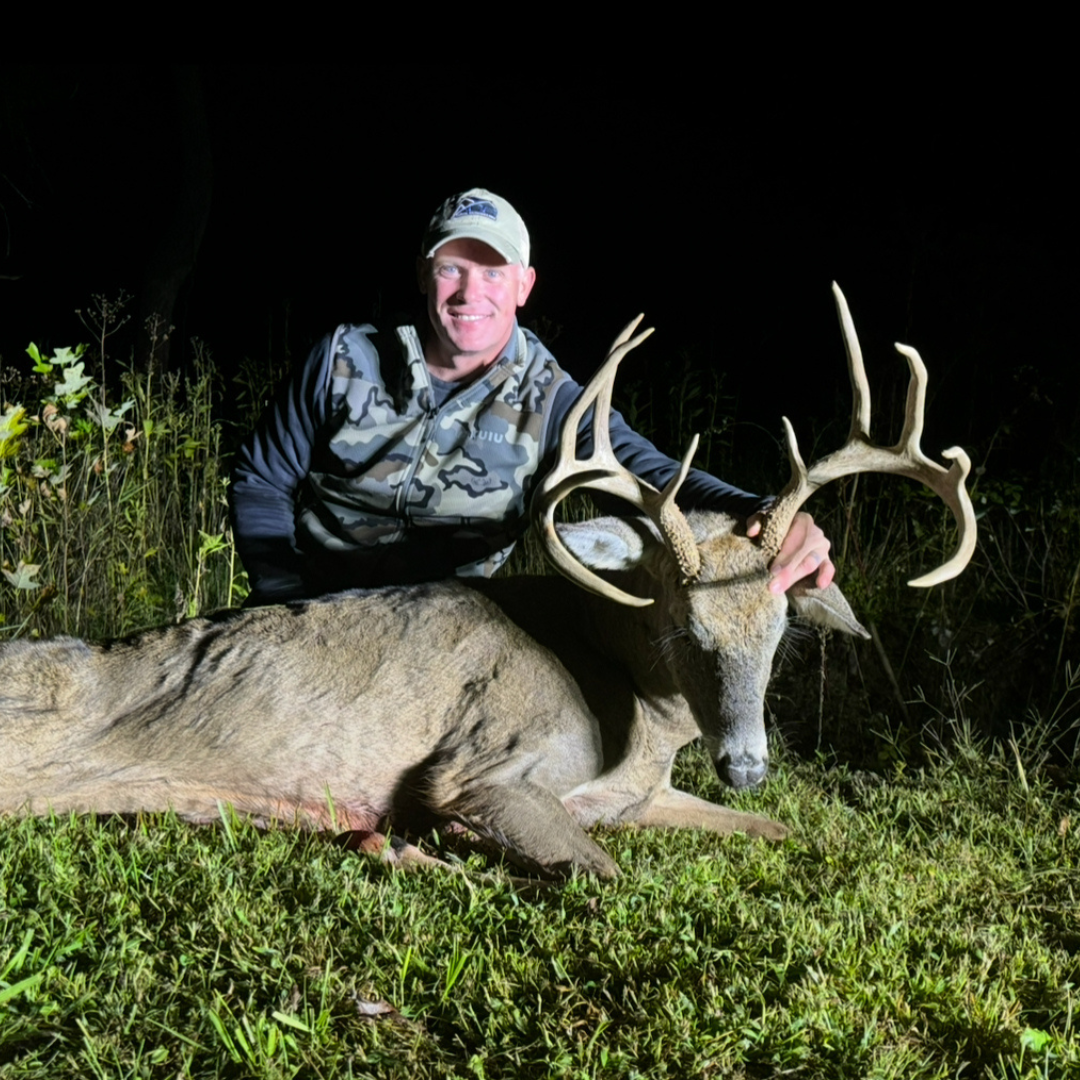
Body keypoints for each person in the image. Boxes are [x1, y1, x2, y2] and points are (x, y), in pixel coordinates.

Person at [230, 188, 833, 606]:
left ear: (525, 285)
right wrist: (283, 598)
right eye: (451, 267)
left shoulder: (552, 401)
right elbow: (262, 478)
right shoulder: (344, 359)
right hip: (309, 604)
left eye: (493, 272)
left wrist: (772, 510)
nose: (470, 292)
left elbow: (655, 473)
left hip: (439, 628)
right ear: (422, 275)